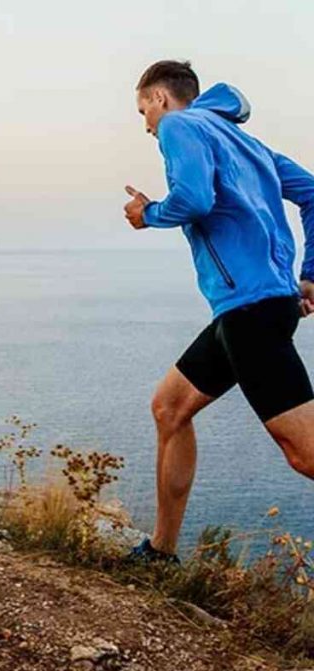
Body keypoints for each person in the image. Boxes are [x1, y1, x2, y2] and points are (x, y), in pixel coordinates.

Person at [123, 60, 314, 564]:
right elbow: (313, 193)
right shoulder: (248, 144)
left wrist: (149, 215)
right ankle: (160, 553)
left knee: (305, 454)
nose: (147, 125)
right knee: (169, 408)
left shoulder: (179, 126)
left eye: (144, 111)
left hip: (250, 311)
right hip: (253, 307)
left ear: (161, 98)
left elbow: (194, 199)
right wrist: (309, 275)